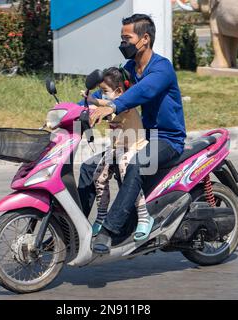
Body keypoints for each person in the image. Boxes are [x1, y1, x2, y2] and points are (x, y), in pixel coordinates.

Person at [78, 14, 186, 254]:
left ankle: (110, 231)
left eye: (127, 38)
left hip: (166, 140)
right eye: (121, 38)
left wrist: (113, 106)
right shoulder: (128, 69)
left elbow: (142, 92)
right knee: (88, 168)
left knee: (137, 165)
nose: (122, 43)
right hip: (138, 139)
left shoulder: (162, 68)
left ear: (144, 39)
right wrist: (77, 108)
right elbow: (109, 92)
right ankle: (73, 228)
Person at [89, 67, 154, 242]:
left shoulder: (125, 106)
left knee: (127, 172)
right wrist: (87, 102)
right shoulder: (109, 104)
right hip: (117, 148)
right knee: (98, 175)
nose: (102, 95)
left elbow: (107, 105)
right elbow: (100, 104)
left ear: (118, 92)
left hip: (135, 146)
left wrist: (95, 102)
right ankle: (101, 216)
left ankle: (144, 216)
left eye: (104, 92)